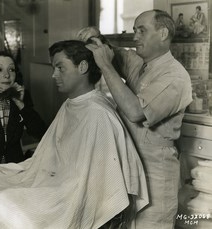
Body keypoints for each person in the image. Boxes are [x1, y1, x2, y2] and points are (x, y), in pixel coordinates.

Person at [0, 40, 148, 229]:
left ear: (83, 68)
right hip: (15, 171)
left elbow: (80, 178)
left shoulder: (97, 112)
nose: (53, 75)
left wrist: (22, 106)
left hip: (46, 185)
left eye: (60, 68)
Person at [78, 9, 193, 229]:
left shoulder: (174, 76)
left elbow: (136, 111)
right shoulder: (140, 64)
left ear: (163, 33)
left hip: (155, 179)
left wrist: (105, 66)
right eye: (134, 31)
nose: (134, 37)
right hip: (129, 173)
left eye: (142, 30)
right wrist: (96, 37)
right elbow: (112, 53)